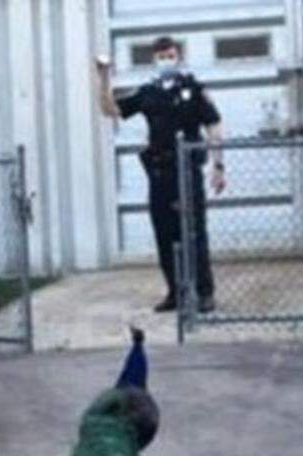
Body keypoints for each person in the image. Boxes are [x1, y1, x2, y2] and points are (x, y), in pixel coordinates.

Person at [96, 36, 225, 313]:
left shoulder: (192, 88)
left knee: (194, 232)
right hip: (160, 172)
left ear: (178, 56)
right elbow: (111, 110)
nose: (167, 59)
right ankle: (176, 292)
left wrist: (218, 166)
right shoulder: (149, 92)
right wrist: (104, 77)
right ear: (154, 59)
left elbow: (213, 124)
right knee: (165, 233)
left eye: (171, 54)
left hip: (187, 170)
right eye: (161, 55)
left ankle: (204, 292)